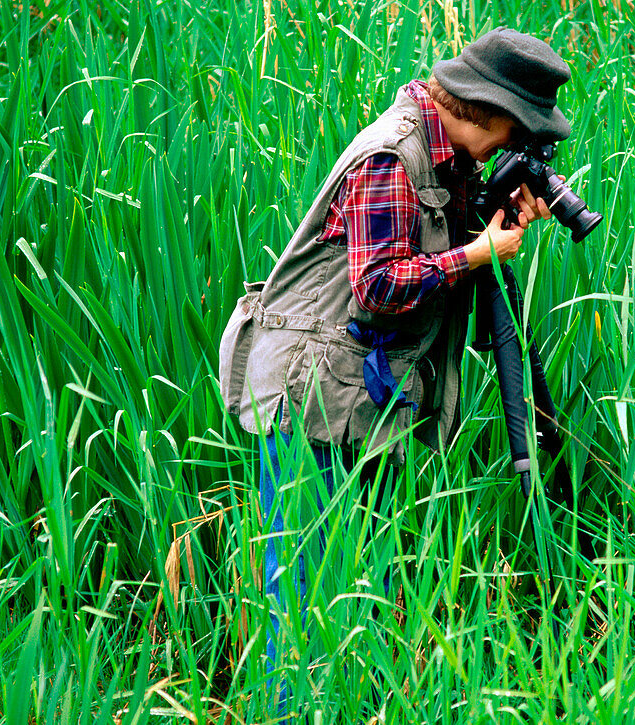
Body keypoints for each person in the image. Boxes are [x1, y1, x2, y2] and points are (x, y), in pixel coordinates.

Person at [218, 25, 574, 715]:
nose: (516, 145)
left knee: (358, 583)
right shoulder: (392, 154)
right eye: (517, 130)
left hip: (367, 397)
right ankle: (291, 710)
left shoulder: (450, 155)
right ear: (483, 106)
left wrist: (490, 217)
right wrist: (479, 254)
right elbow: (380, 285)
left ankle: (350, 706)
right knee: (300, 594)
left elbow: (427, 250)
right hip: (311, 399)